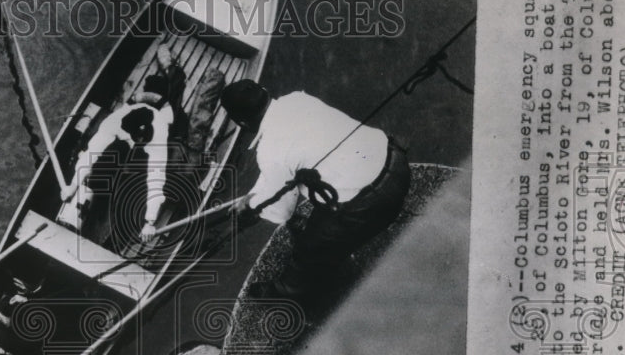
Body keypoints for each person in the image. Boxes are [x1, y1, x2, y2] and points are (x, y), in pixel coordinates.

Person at [221, 79, 410, 302]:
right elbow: (284, 164)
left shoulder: (269, 152)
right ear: (265, 90)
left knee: (309, 249)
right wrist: (253, 195)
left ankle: (288, 292)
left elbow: (281, 212)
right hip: (397, 162)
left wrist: (249, 206)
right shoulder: (297, 98)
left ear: (242, 124)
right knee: (327, 224)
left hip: (371, 201)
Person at [58, 44, 188, 244]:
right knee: (99, 159)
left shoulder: (159, 135)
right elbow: (90, 154)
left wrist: (150, 221)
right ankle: (161, 77)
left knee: (175, 98)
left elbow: (156, 180)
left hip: (163, 120)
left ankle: (170, 68)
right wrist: (73, 184)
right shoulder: (113, 122)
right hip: (125, 135)